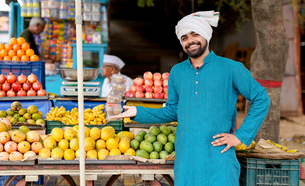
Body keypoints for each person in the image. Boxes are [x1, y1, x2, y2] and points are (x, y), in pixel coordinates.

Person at [110, 11, 270, 185]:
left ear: (206, 35)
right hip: (186, 159)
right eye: (184, 37)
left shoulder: (231, 68)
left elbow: (261, 98)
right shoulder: (177, 72)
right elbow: (172, 111)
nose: (190, 40)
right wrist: (137, 112)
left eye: (195, 34)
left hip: (219, 157)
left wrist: (241, 136)